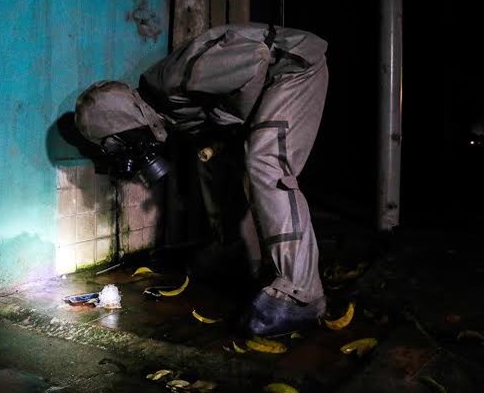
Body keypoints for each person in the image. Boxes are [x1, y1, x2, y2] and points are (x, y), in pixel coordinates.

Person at [74, 22, 329, 337]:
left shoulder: (174, 80)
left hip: (294, 67)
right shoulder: (167, 113)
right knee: (209, 158)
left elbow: (257, 57)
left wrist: (228, 123)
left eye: (120, 143)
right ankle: (236, 255)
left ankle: (302, 292)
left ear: (126, 117)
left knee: (266, 160)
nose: (127, 152)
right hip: (269, 83)